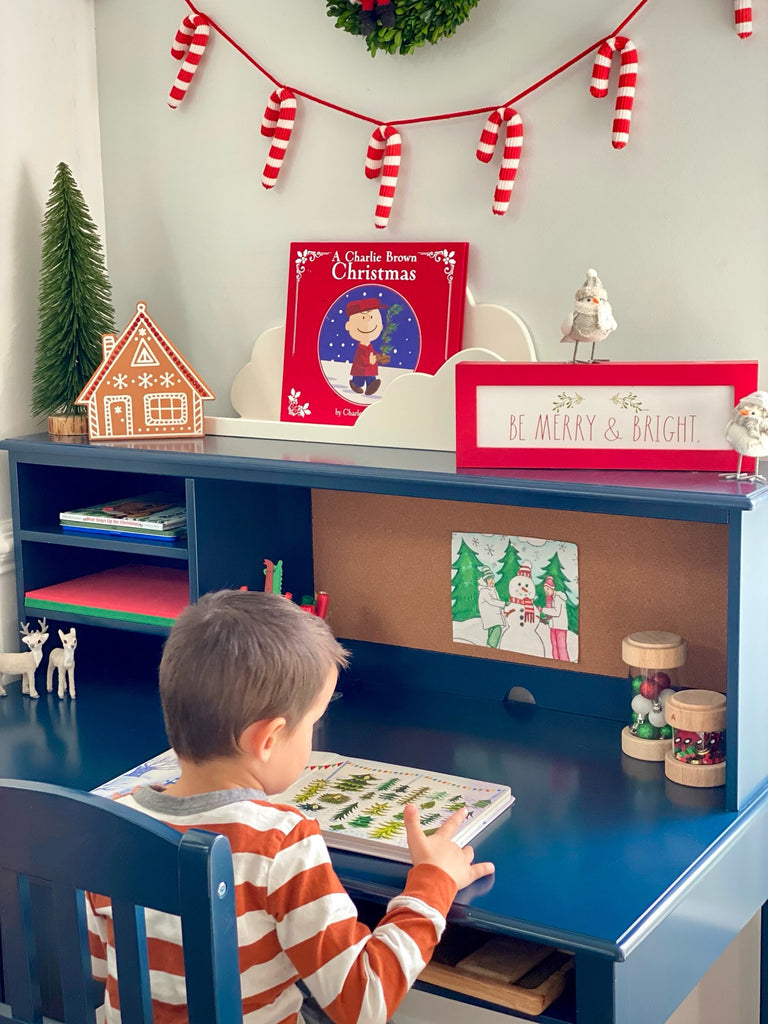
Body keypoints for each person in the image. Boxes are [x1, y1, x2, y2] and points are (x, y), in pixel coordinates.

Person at [87, 590, 494, 1024]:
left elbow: (101, 967)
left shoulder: (109, 822)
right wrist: (433, 884)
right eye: (313, 723)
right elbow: (364, 1001)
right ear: (268, 739)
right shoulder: (281, 842)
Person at [345, 297, 387, 396]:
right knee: (359, 378)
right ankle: (355, 384)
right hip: (361, 369)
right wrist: (369, 361)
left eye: (372, 318)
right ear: (348, 326)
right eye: (363, 318)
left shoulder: (369, 346)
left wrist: (379, 357)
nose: (368, 322)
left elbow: (373, 355)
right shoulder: (361, 348)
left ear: (380, 326)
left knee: (370, 376)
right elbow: (359, 360)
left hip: (369, 369)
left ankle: (371, 385)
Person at [537, 574, 570, 661]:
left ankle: (564, 662)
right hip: (553, 626)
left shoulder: (558, 598)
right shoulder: (550, 599)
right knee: (554, 646)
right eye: (545, 590)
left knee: (561, 647)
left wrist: (543, 610)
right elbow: (550, 614)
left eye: (547, 589)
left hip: (560, 626)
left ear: (552, 588)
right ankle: (556, 661)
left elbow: (556, 612)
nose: (546, 592)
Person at [477, 569, 506, 648]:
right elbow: (492, 601)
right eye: (489, 579)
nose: (492, 581)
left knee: (492, 630)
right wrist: (504, 604)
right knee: (497, 629)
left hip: (494, 616)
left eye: (492, 579)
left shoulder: (492, 590)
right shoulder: (484, 591)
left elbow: (496, 602)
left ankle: (489, 648)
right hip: (490, 616)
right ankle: (490, 647)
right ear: (485, 581)